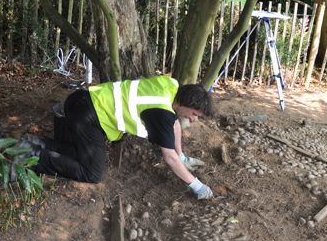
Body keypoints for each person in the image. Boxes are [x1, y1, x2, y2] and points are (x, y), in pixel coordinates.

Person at [26, 75, 214, 199]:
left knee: (80, 154)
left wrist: (182, 157)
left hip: (84, 99)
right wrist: (197, 185)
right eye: (194, 114)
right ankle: (31, 157)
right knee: (92, 173)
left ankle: (34, 143)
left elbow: (175, 125)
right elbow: (169, 158)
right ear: (187, 103)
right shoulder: (162, 112)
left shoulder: (171, 86)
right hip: (88, 116)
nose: (193, 119)